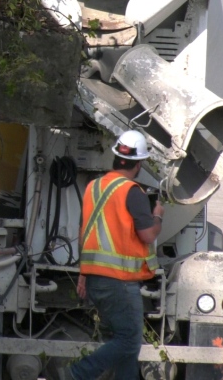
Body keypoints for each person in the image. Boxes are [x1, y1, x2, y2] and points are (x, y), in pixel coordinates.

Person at [70, 130, 164, 380]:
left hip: (95, 280)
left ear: (115, 158)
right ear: (139, 164)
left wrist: (83, 274)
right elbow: (147, 236)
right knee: (129, 342)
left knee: (123, 345)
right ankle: (79, 373)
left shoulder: (93, 187)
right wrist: (158, 215)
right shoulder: (132, 191)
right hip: (119, 282)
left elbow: (84, 232)